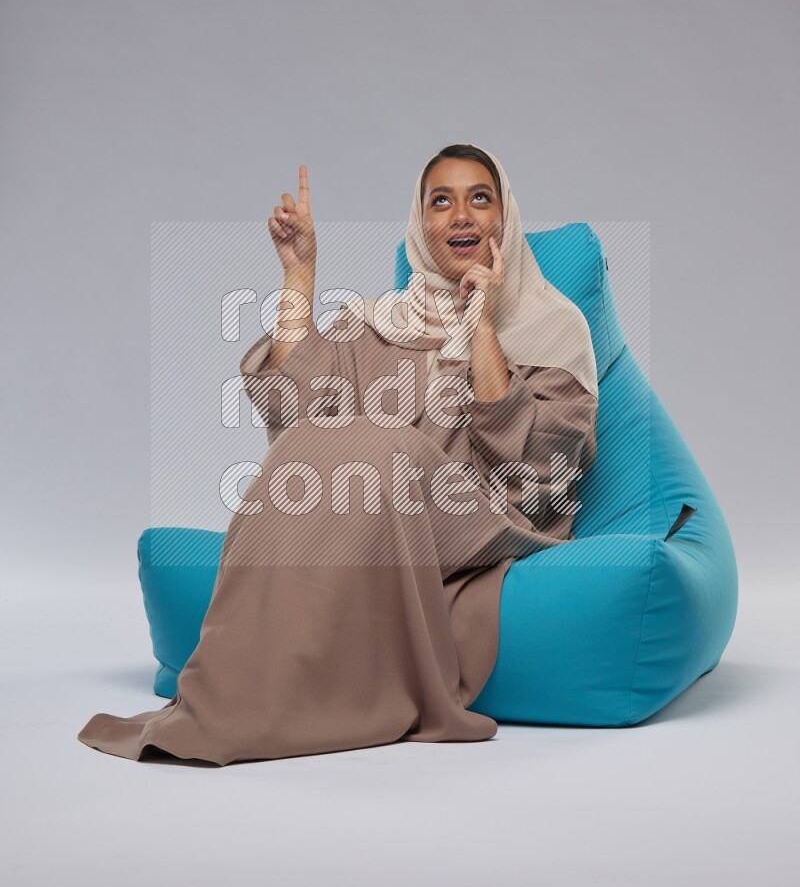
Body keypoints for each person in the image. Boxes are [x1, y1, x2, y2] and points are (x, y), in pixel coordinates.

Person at [77, 142, 599, 765]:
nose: (461, 216)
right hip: (380, 517)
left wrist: (481, 324)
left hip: (486, 519)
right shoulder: (379, 322)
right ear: (421, 222)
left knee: (387, 448)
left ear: (504, 217)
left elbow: (534, 476)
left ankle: (267, 706)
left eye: (479, 199)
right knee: (316, 447)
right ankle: (236, 697)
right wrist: (300, 274)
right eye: (441, 201)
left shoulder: (552, 325)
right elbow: (297, 412)